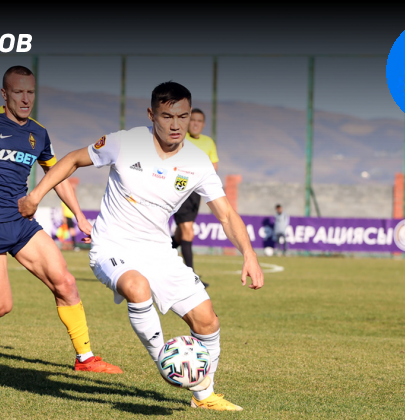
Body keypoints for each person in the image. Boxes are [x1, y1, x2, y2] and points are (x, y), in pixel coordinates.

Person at [18, 81, 264, 411]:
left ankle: (204, 396)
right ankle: (166, 361)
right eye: (167, 116)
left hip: (159, 252)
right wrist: (35, 195)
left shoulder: (198, 162)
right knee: (137, 286)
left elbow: (226, 214)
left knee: (207, 321)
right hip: (112, 247)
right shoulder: (124, 143)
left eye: (183, 116)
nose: (176, 124)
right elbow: (73, 159)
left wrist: (249, 254)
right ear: (151, 114)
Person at [0, 65, 121, 374]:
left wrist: (79, 216)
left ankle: (85, 359)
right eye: (18, 92)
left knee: (65, 282)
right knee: (0, 308)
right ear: (5, 94)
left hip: (21, 222)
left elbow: (57, 176)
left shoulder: (38, 133)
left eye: (30, 92)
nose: (26, 98)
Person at [171, 109, 218, 287]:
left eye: (199, 121)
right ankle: (190, 278)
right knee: (188, 231)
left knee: (180, 235)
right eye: (193, 120)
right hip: (181, 189)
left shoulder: (208, 142)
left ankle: (149, 261)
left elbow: (213, 167)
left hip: (196, 193)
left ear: (203, 124)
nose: (196, 123)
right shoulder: (180, 139)